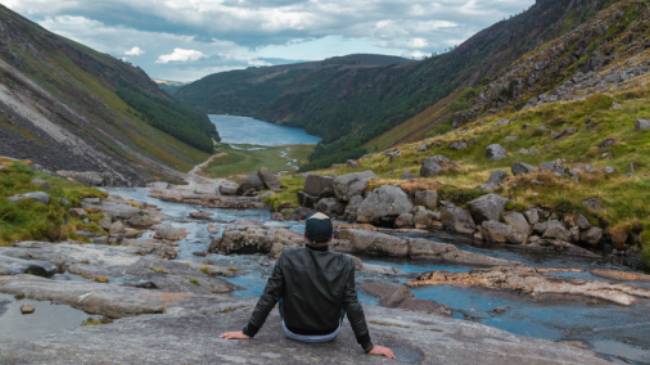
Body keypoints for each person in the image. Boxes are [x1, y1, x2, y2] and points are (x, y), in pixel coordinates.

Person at [221, 212, 396, 359]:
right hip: (328, 334)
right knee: (344, 300)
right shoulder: (345, 263)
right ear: (331, 238)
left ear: (305, 236)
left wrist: (248, 332)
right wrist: (368, 346)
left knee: (280, 294)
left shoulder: (287, 257)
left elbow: (269, 296)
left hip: (292, 331)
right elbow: (352, 305)